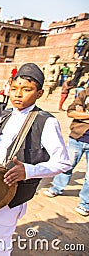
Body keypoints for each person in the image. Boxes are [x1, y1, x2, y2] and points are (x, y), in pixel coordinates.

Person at [0, 63, 71, 256]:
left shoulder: (46, 122)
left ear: (39, 93)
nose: (18, 94)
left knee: (1, 238)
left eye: (26, 90)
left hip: (12, 192)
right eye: (15, 89)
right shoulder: (7, 113)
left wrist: (28, 171)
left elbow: (63, 162)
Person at [43, 85, 89, 216]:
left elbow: (77, 113)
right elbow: (71, 112)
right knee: (66, 165)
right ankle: (56, 188)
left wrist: (83, 114)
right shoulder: (84, 94)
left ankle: (85, 203)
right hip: (78, 137)